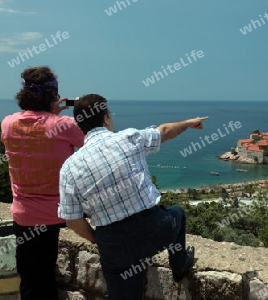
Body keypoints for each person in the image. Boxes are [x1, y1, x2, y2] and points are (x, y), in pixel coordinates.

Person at [58, 94, 207, 300]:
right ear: (105, 118)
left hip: (114, 245)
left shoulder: (69, 168)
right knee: (178, 214)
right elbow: (164, 131)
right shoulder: (128, 138)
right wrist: (189, 123)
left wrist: (98, 239)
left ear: (80, 125)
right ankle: (179, 265)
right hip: (154, 231)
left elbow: (72, 220)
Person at [1, 66, 85, 300]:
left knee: (29, 279)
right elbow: (99, 145)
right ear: (53, 96)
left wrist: (50, 112)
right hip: (58, 214)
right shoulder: (65, 125)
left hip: (24, 214)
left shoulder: (8, 124)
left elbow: (37, 134)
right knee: (46, 278)